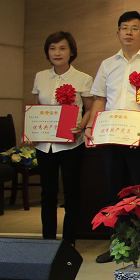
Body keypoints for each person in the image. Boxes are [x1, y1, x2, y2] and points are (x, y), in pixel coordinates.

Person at [85, 11, 140, 264]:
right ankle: (118, 244)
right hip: (112, 135)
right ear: (118, 33)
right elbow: (100, 99)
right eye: (124, 28)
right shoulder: (107, 64)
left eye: (134, 28)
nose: (128, 32)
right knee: (114, 190)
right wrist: (91, 126)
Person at [30, 31, 93, 246]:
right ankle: (47, 242)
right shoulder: (40, 76)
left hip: (71, 144)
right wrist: (30, 131)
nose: (57, 53)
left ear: (72, 52)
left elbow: (89, 109)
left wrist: (81, 126)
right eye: (52, 48)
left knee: (71, 193)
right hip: (44, 145)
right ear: (47, 52)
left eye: (62, 48)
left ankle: (68, 242)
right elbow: (36, 108)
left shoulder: (83, 78)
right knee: (47, 193)